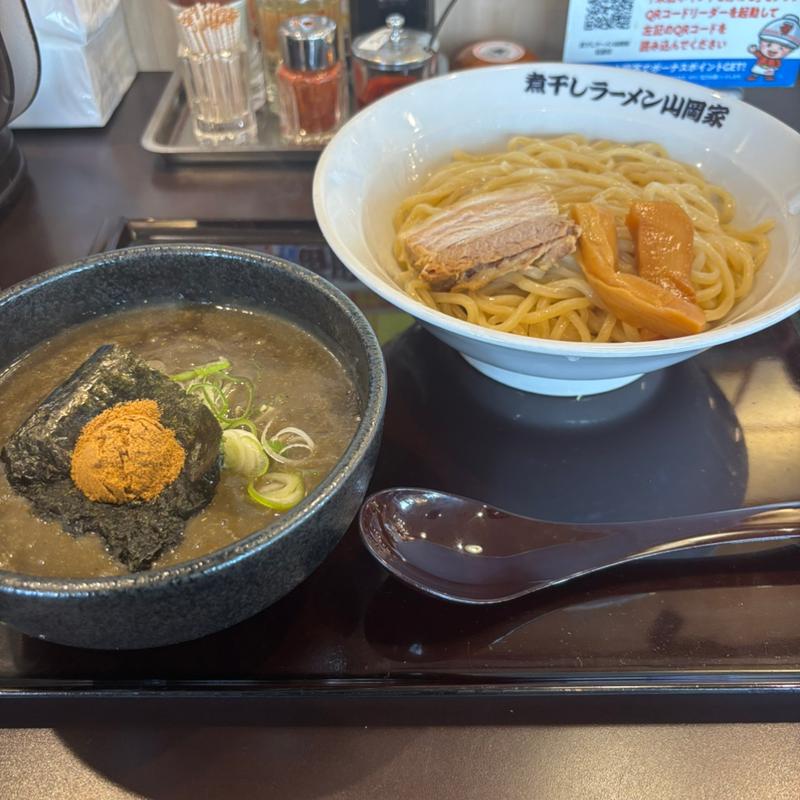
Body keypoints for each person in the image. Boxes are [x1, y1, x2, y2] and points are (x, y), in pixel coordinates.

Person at [747, 13, 800, 81]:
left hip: (770, 67)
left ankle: (768, 77)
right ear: (760, 42)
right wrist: (754, 50)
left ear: (790, 51)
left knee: (769, 73)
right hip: (760, 65)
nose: (773, 50)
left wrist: (776, 67)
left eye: (781, 48)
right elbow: (758, 54)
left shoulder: (777, 59)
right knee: (756, 71)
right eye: (769, 45)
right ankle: (754, 76)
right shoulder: (762, 55)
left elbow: (778, 63)